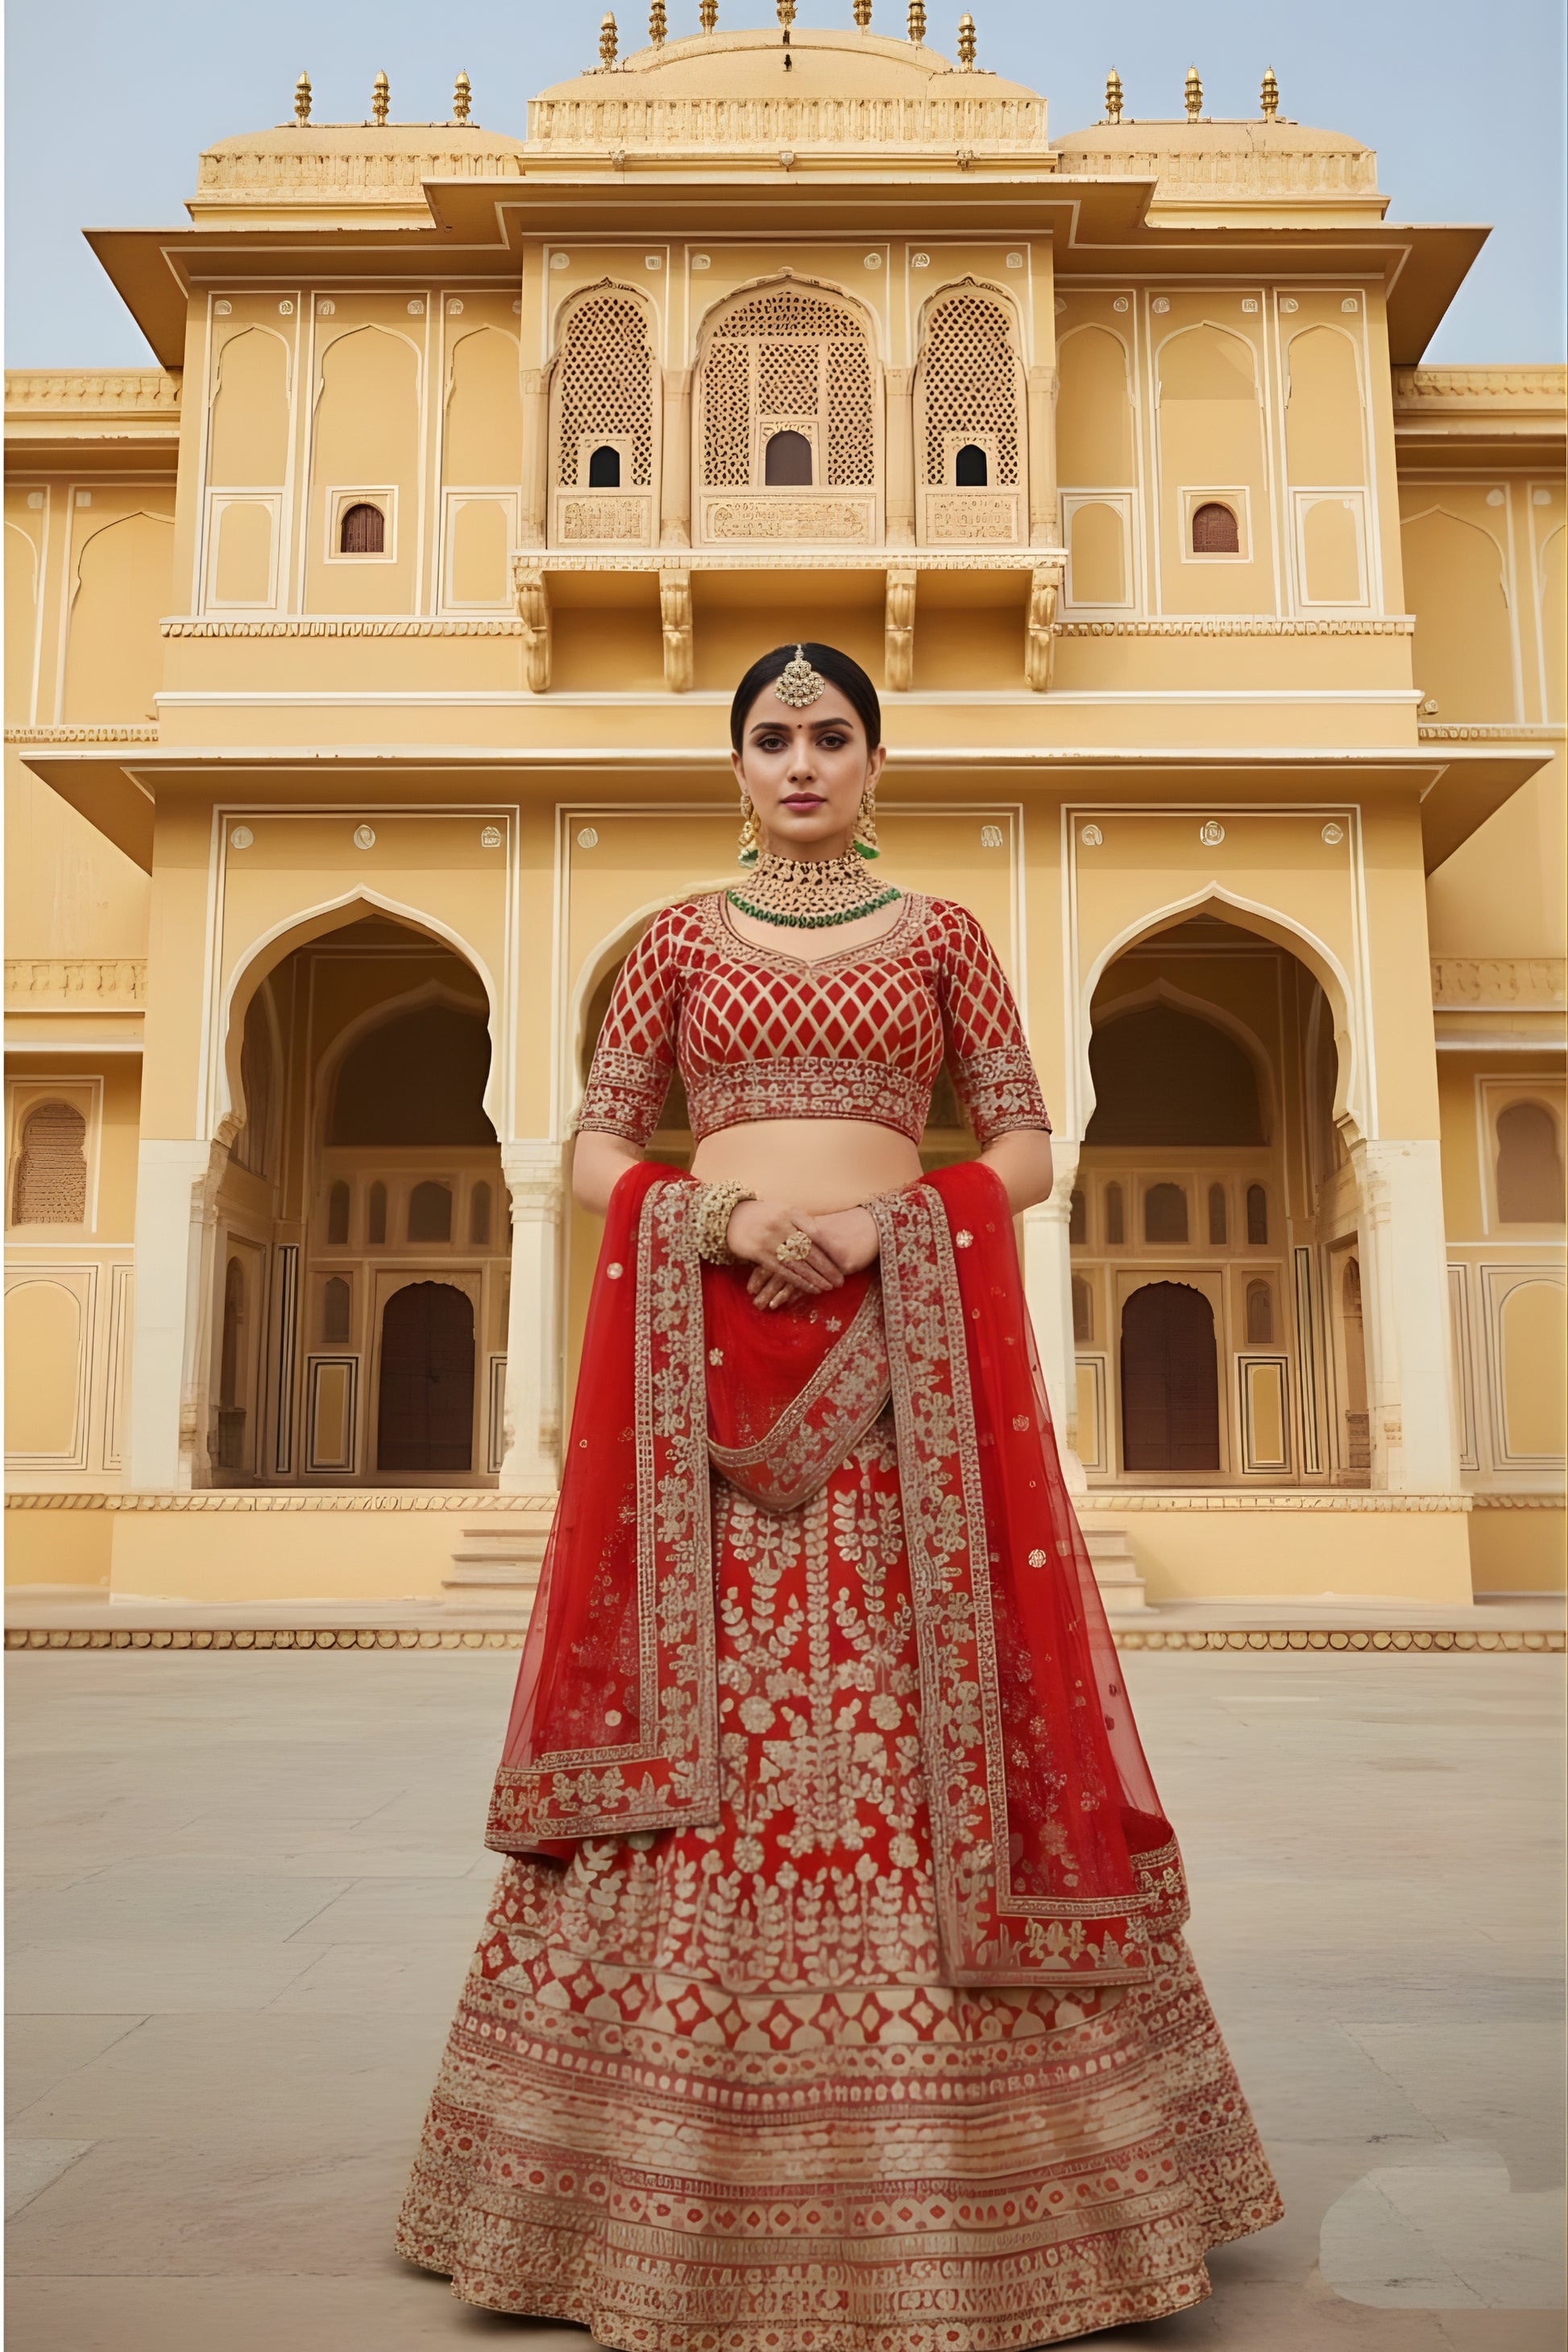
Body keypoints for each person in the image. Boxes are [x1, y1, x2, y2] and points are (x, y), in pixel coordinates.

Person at [397, 642, 1282, 2344]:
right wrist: (712, 1219)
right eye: (770, 737)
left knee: (917, 1722)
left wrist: (901, 1218)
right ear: (734, 764)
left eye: (831, 735)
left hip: (898, 1387)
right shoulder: (672, 942)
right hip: (706, 1399)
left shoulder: (945, 938)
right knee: (708, 1735)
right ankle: (632, 2182)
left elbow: (1025, 1143)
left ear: (876, 759)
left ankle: (984, 2184)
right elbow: (592, 1141)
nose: (800, 761)